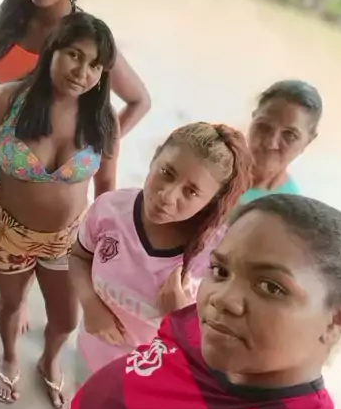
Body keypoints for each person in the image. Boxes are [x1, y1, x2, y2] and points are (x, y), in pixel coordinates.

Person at [32, 193, 341, 409]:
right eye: (220, 271)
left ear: (337, 319)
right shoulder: (208, 330)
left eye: (271, 287)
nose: (223, 299)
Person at [0, 0, 151, 348]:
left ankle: (17, 299)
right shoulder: (12, 17)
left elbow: (139, 99)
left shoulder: (85, 39)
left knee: (38, 248)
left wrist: (96, 147)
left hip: (48, 167)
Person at [0, 11, 119, 408]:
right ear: (53, 49)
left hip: (68, 240)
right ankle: (10, 356)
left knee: (67, 318)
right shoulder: (5, 101)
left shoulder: (102, 121)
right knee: (11, 305)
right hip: (7, 232)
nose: (82, 72)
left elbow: (106, 192)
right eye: (74, 55)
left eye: (95, 65)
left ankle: (49, 359)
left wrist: (101, 255)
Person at [69, 122, 252, 374]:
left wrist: (179, 316)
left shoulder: (216, 257)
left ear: (211, 201)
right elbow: (79, 257)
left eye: (191, 192)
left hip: (150, 380)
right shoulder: (110, 209)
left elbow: (220, 350)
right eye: (167, 172)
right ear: (155, 157)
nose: (167, 195)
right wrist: (90, 305)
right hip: (90, 355)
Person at [239, 79, 322, 204]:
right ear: (253, 118)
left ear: (308, 141)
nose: (271, 143)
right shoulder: (214, 168)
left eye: (290, 135)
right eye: (263, 127)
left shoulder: (287, 206)